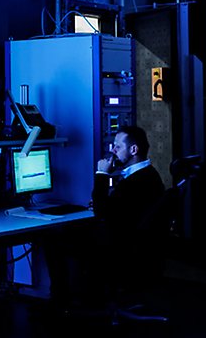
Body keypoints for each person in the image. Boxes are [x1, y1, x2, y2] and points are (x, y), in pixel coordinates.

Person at [46, 125, 165, 310]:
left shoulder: (135, 182)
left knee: (54, 240)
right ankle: (87, 297)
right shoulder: (149, 176)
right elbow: (121, 211)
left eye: (117, 146)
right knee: (72, 232)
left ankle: (60, 303)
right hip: (135, 247)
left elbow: (103, 214)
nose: (112, 150)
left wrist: (101, 174)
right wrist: (106, 204)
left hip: (122, 250)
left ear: (133, 150)